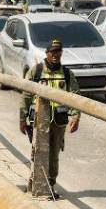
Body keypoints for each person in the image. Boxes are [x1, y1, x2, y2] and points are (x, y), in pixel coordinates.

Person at [19, 38, 80, 199]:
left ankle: (50, 184)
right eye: (52, 52)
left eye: (58, 52)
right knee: (38, 151)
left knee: (53, 155)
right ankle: (35, 182)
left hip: (59, 121)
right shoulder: (36, 71)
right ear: (47, 53)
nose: (55, 55)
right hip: (39, 120)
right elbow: (26, 95)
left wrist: (76, 116)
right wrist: (22, 118)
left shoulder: (67, 74)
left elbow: (75, 96)